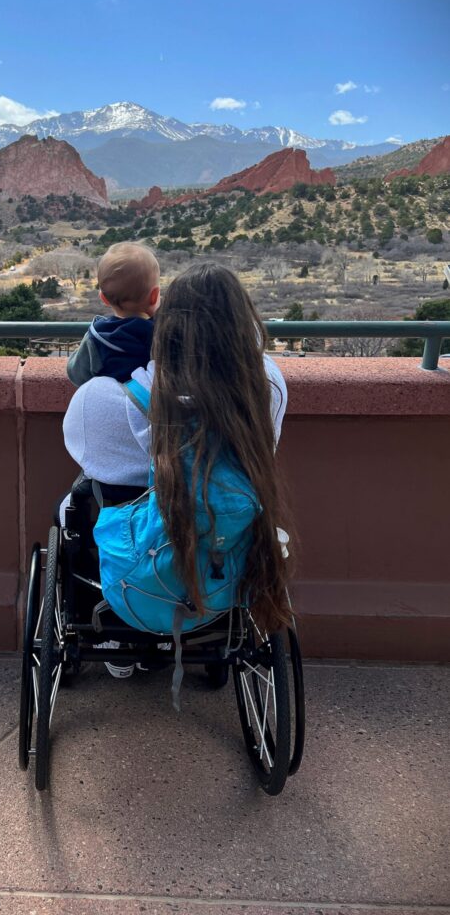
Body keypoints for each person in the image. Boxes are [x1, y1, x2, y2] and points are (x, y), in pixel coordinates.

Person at [62, 262, 290, 674]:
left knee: (77, 509)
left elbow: (88, 458)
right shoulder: (269, 385)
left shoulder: (106, 396)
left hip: (139, 572)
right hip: (228, 561)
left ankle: (109, 630)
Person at [66, 242, 160, 387]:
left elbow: (76, 374)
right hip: (152, 406)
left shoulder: (99, 337)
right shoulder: (163, 335)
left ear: (104, 298)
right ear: (154, 296)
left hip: (110, 406)